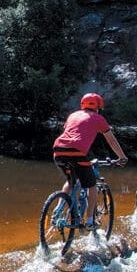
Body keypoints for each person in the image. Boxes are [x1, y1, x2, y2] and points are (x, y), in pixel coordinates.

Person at [52, 93, 128, 226]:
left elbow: (73, 132)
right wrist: (121, 157)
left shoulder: (73, 115)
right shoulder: (98, 118)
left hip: (58, 150)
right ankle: (90, 221)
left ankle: (58, 210)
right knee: (91, 186)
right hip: (77, 152)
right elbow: (111, 140)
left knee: (71, 182)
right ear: (98, 107)